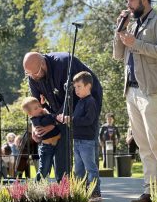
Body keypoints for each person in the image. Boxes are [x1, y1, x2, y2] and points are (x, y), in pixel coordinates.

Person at [113, 0, 157, 202]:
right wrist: (119, 31)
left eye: (131, 0)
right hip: (131, 91)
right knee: (143, 144)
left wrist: (136, 44)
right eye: (127, 1)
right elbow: (117, 55)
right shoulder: (131, 25)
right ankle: (151, 190)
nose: (128, 5)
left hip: (153, 91)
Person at [22, 52, 103, 182]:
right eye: (29, 74)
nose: (32, 77)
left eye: (35, 73)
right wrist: (36, 127)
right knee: (59, 145)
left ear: (43, 64)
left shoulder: (64, 64)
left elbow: (70, 101)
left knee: (86, 149)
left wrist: (53, 123)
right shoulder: (33, 77)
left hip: (86, 106)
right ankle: (64, 186)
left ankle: (92, 187)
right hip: (59, 112)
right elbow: (35, 105)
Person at [57, 71, 101, 202]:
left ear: (88, 86)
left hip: (87, 141)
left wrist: (71, 119)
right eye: (75, 87)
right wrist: (66, 120)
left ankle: (95, 192)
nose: (76, 90)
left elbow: (88, 120)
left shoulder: (90, 102)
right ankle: (80, 192)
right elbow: (76, 120)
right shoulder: (80, 102)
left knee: (91, 168)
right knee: (78, 169)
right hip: (77, 141)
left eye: (79, 86)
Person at [21, 96, 61, 181]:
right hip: (47, 147)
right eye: (36, 108)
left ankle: (59, 187)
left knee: (59, 168)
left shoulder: (41, 115)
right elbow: (50, 119)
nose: (39, 109)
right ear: (30, 114)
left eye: (39, 106)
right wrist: (46, 112)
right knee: (44, 169)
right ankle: (36, 184)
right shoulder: (36, 120)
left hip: (56, 144)